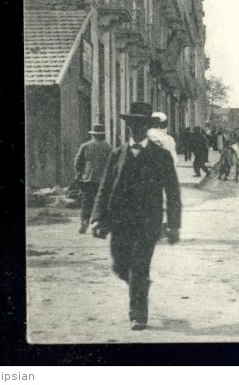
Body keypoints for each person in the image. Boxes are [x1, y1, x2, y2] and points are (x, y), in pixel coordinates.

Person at [90, 102, 181, 331]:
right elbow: (105, 187)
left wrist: (173, 225)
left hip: (147, 223)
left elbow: (172, 192)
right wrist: (97, 217)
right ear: (128, 127)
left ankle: (138, 314)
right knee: (120, 266)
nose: (136, 129)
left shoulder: (161, 155)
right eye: (132, 124)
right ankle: (139, 286)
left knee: (139, 267)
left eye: (141, 124)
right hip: (119, 222)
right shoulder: (117, 154)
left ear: (148, 127)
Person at [74, 123, 112, 234]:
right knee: (102, 202)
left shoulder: (85, 146)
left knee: (86, 201)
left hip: (88, 178)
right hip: (104, 180)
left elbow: (78, 161)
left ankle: (84, 221)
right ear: (103, 135)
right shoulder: (109, 147)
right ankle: (98, 224)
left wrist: (79, 173)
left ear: (93, 135)